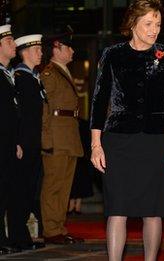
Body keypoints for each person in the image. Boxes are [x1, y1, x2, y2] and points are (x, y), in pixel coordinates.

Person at [89, 0, 164, 260]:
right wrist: (96, 145)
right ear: (132, 24)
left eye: (158, 24)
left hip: (156, 141)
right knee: (116, 208)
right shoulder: (112, 54)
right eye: (149, 24)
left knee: (153, 210)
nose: (155, 30)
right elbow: (98, 101)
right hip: (118, 140)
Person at [40, 26, 84, 244]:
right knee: (53, 185)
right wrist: (46, 140)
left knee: (64, 187)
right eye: (69, 47)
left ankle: (58, 227)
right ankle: (51, 230)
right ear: (57, 48)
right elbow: (43, 110)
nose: (73, 51)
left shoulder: (62, 72)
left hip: (67, 137)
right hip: (56, 139)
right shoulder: (48, 74)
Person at [7, 34, 47, 251]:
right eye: (37, 49)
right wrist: (19, 142)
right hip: (25, 143)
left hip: (33, 143)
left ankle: (21, 236)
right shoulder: (21, 78)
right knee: (20, 191)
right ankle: (17, 236)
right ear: (25, 52)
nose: (41, 52)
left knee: (29, 190)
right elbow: (19, 115)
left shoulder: (32, 78)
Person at [0, 24, 22, 255]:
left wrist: (15, 141)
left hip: (7, 143)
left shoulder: (9, 75)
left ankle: (2, 237)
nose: (14, 45)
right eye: (9, 42)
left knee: (5, 191)